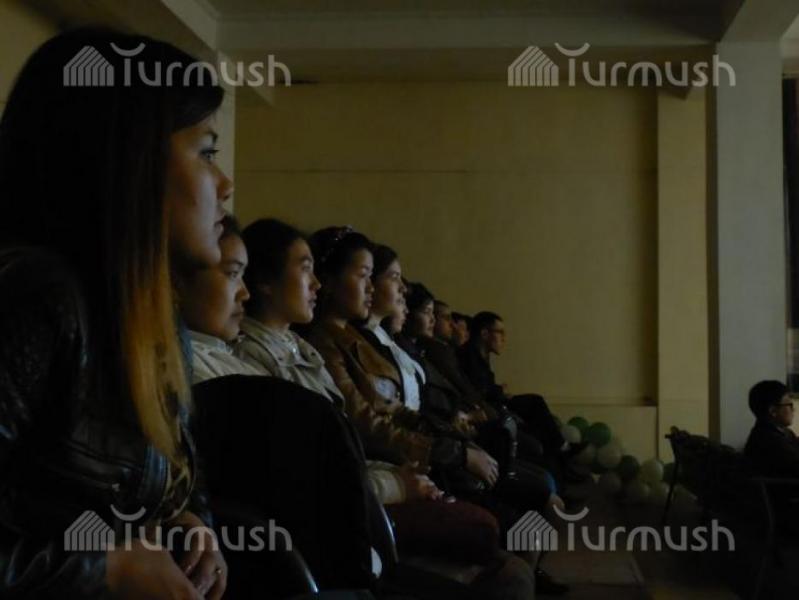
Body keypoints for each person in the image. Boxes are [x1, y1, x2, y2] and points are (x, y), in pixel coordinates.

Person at [0, 28, 229, 598]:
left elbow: (165, 472)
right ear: (128, 161)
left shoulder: (148, 314)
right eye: (206, 153)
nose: (225, 185)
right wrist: (109, 568)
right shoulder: (34, 299)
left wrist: (187, 521)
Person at [177, 215, 376, 590]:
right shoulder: (204, 377)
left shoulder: (239, 357)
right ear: (176, 283)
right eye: (233, 274)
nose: (244, 293)